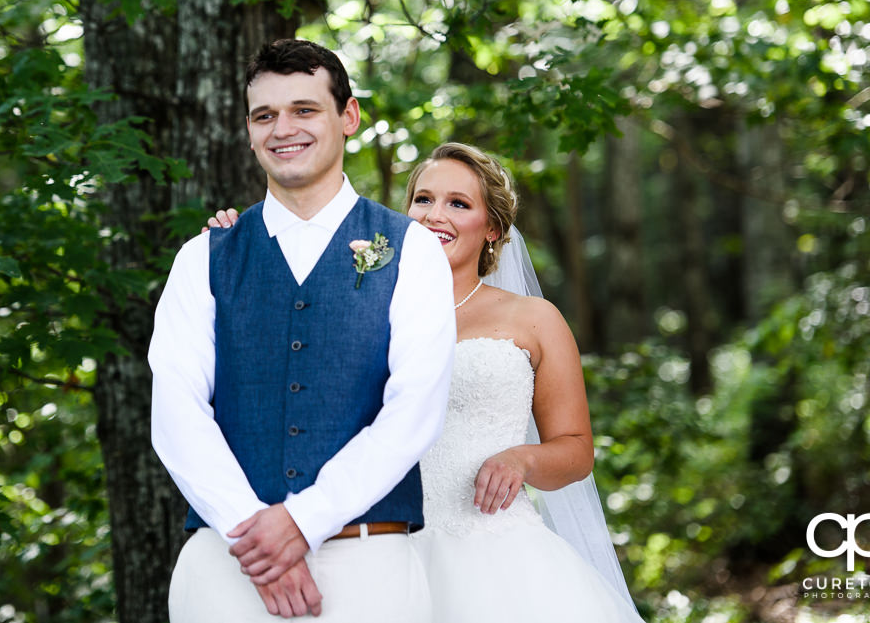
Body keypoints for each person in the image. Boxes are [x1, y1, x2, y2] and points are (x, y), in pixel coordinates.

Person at [209, 141, 643, 622]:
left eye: (458, 203)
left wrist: (523, 458)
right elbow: (282, 354)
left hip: (498, 557)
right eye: (423, 199)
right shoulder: (360, 305)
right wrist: (242, 247)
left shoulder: (534, 319)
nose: (436, 215)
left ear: (493, 228)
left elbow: (577, 449)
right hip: (379, 548)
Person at [149, 39, 456, 622]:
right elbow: (177, 411)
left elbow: (415, 409)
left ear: (348, 116)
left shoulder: (411, 251)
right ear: (248, 129)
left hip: (371, 567)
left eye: (304, 110)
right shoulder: (202, 257)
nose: (282, 128)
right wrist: (258, 537)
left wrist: (302, 520)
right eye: (264, 115)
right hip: (226, 565)